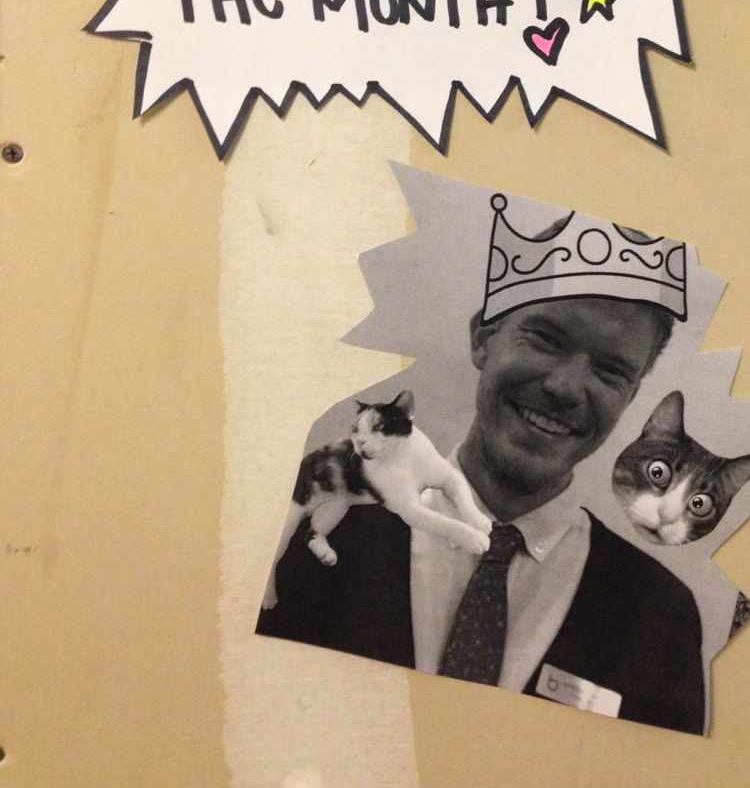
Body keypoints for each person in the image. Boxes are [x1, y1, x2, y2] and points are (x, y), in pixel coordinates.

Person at [258, 201, 705, 734]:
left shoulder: (660, 615)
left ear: (630, 397)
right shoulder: (315, 528)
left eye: (610, 371)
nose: (565, 388)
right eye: (546, 339)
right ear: (483, 338)